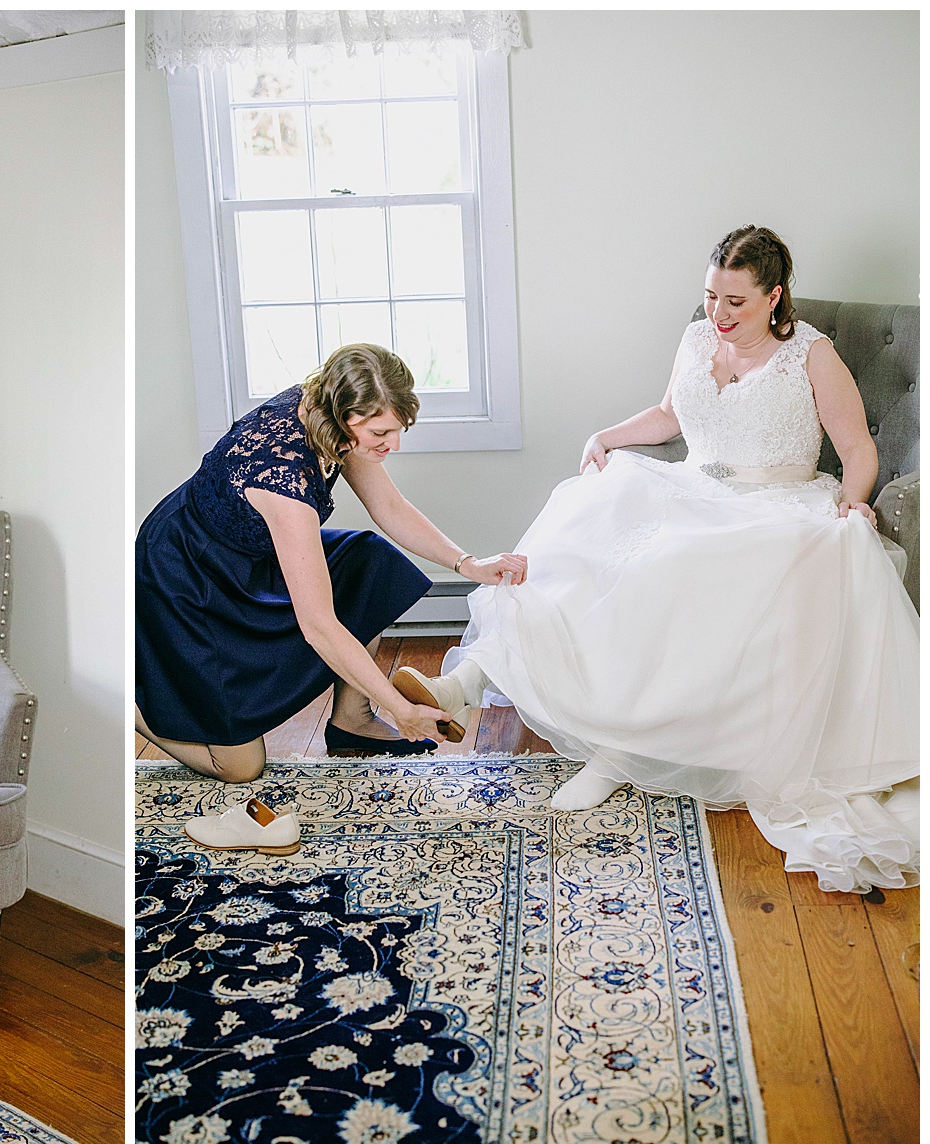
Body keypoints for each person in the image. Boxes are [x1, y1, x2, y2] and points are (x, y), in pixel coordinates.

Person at [401, 226, 919, 893]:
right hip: (694, 487)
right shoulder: (698, 339)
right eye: (709, 296)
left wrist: (853, 505)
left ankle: (619, 750)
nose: (718, 314)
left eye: (734, 300)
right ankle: (468, 683)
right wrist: (606, 436)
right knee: (576, 532)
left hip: (778, 505)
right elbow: (671, 415)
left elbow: (857, 451)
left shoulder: (812, 356)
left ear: (773, 297)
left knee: (675, 573)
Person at [135, 343, 527, 789]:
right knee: (240, 768)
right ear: (345, 416)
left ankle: (351, 719)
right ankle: (135, 707)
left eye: (398, 429)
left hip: (249, 555)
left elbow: (389, 507)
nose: (392, 444)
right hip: (186, 576)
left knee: (369, 561)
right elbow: (318, 626)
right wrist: (401, 710)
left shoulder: (328, 414)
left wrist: (469, 564)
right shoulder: (282, 476)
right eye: (380, 433)